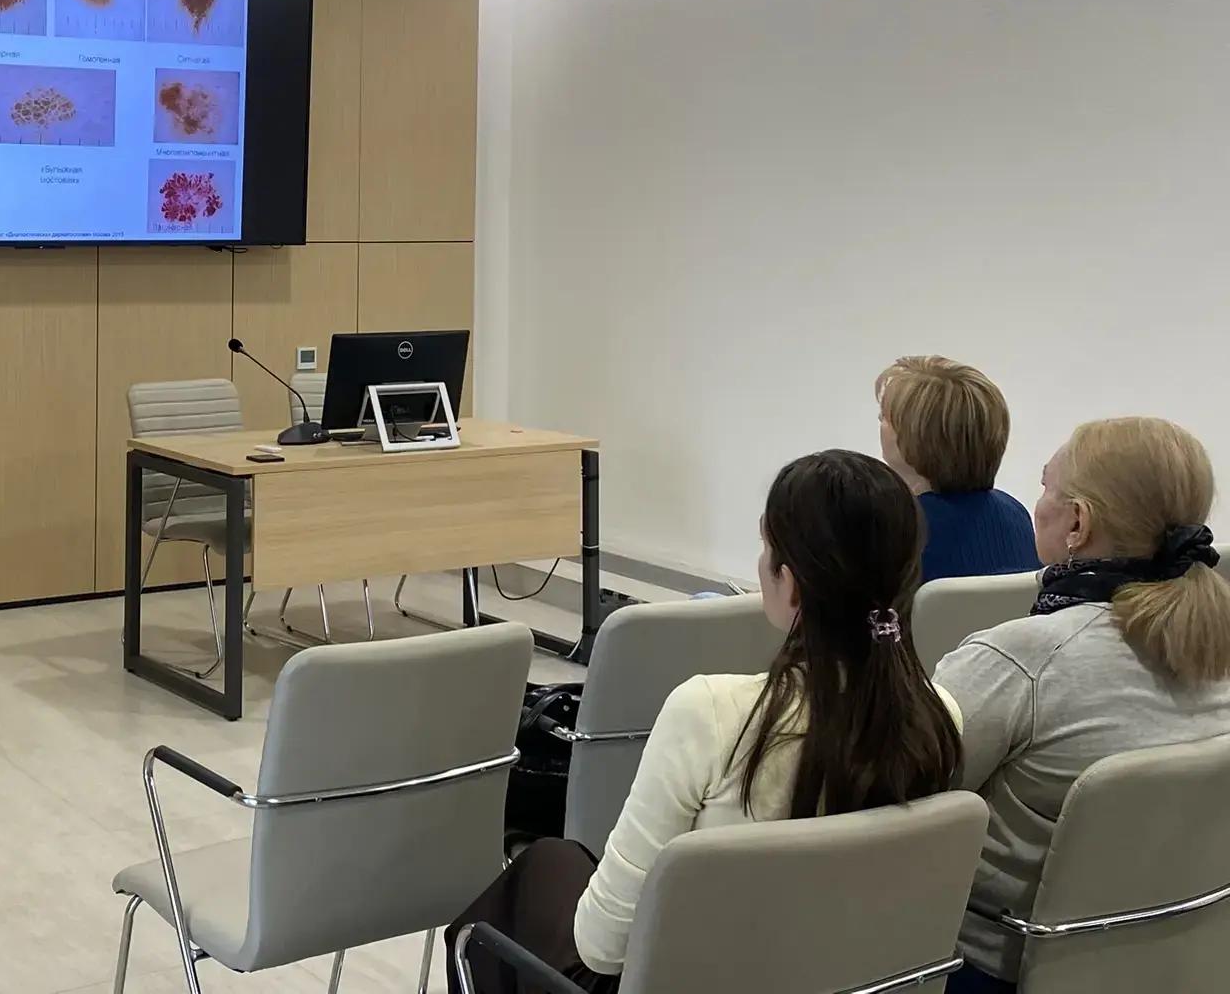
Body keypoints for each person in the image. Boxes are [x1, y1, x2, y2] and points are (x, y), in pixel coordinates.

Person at [447, 450, 963, 994]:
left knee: (523, 888)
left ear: (792, 584)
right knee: (556, 861)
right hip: (860, 980)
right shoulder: (938, 718)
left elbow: (601, 945)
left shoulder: (712, 714)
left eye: (766, 548)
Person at [936, 417, 1230, 994]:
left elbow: (897, 800)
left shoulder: (1023, 659)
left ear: (1077, 523)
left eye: (1045, 487)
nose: (1037, 504)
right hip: (1180, 963)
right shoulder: (1216, 649)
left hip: (993, 968)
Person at [876, 355, 1040, 582]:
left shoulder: (895, 531)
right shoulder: (1015, 514)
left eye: (886, 417)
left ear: (918, 439)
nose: (879, 420)